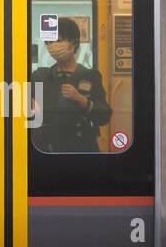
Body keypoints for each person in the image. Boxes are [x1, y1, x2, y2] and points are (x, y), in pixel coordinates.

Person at [30, 16, 112, 152]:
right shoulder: (40, 76)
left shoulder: (90, 76)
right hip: (46, 149)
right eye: (49, 42)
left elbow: (104, 117)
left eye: (58, 41)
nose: (52, 46)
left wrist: (82, 101)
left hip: (80, 148)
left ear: (74, 43)